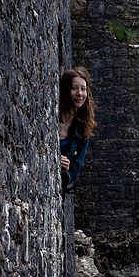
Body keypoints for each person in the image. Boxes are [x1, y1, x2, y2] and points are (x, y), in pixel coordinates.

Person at [59, 66, 97, 195]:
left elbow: (75, 170)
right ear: (66, 90)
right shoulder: (51, 115)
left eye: (83, 89)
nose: (79, 93)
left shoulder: (82, 131)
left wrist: (64, 171)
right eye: (74, 88)